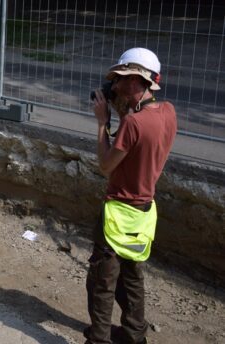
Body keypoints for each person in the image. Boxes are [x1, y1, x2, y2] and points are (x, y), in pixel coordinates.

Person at [85, 47, 177, 344]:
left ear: (139, 81)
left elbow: (105, 166)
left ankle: (97, 339)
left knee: (102, 281)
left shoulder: (132, 124)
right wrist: (122, 109)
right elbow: (141, 148)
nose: (115, 86)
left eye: (122, 80)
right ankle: (135, 336)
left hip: (118, 213)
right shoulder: (168, 113)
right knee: (132, 277)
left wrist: (102, 123)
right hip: (144, 212)